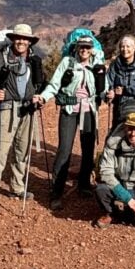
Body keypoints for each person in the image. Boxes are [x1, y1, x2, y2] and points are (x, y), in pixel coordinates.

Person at [0, 23, 45, 215]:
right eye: (18, 38)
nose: (21, 42)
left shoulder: (35, 60)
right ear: (13, 39)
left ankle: (17, 188)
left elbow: (41, 83)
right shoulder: (1, 59)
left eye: (25, 39)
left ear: (30, 41)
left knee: (23, 151)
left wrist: (40, 97)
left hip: (28, 109)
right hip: (7, 108)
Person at [37, 35, 105, 210]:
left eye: (87, 47)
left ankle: (84, 185)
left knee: (88, 149)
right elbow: (54, 85)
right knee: (64, 150)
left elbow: (103, 88)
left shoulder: (97, 65)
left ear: (92, 49)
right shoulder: (67, 63)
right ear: (76, 48)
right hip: (69, 110)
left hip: (89, 110)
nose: (84, 50)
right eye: (81, 47)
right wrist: (43, 98)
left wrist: (109, 94)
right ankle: (56, 192)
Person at [94, 111, 135, 228]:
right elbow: (106, 173)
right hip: (118, 185)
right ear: (125, 127)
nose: (133, 133)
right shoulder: (113, 145)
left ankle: (117, 215)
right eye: (130, 129)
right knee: (101, 189)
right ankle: (113, 212)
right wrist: (128, 199)